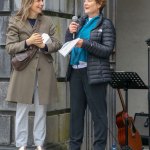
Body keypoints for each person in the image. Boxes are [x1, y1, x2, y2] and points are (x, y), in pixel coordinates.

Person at [5, 0, 61, 150]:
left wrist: (45, 46)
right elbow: (9, 47)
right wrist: (28, 42)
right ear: (28, 2)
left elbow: (57, 43)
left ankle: (39, 144)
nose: (42, 3)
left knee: (41, 109)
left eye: (43, 1)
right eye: (38, 0)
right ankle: (21, 144)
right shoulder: (15, 20)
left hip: (44, 71)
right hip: (23, 71)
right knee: (22, 109)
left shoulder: (47, 20)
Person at [65, 0, 116, 150]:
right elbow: (68, 46)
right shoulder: (79, 23)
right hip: (75, 72)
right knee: (76, 115)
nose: (85, 3)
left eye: (89, 0)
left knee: (99, 116)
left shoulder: (105, 24)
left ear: (99, 4)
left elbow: (107, 50)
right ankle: (74, 147)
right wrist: (69, 32)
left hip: (94, 74)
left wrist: (85, 43)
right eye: (84, 0)